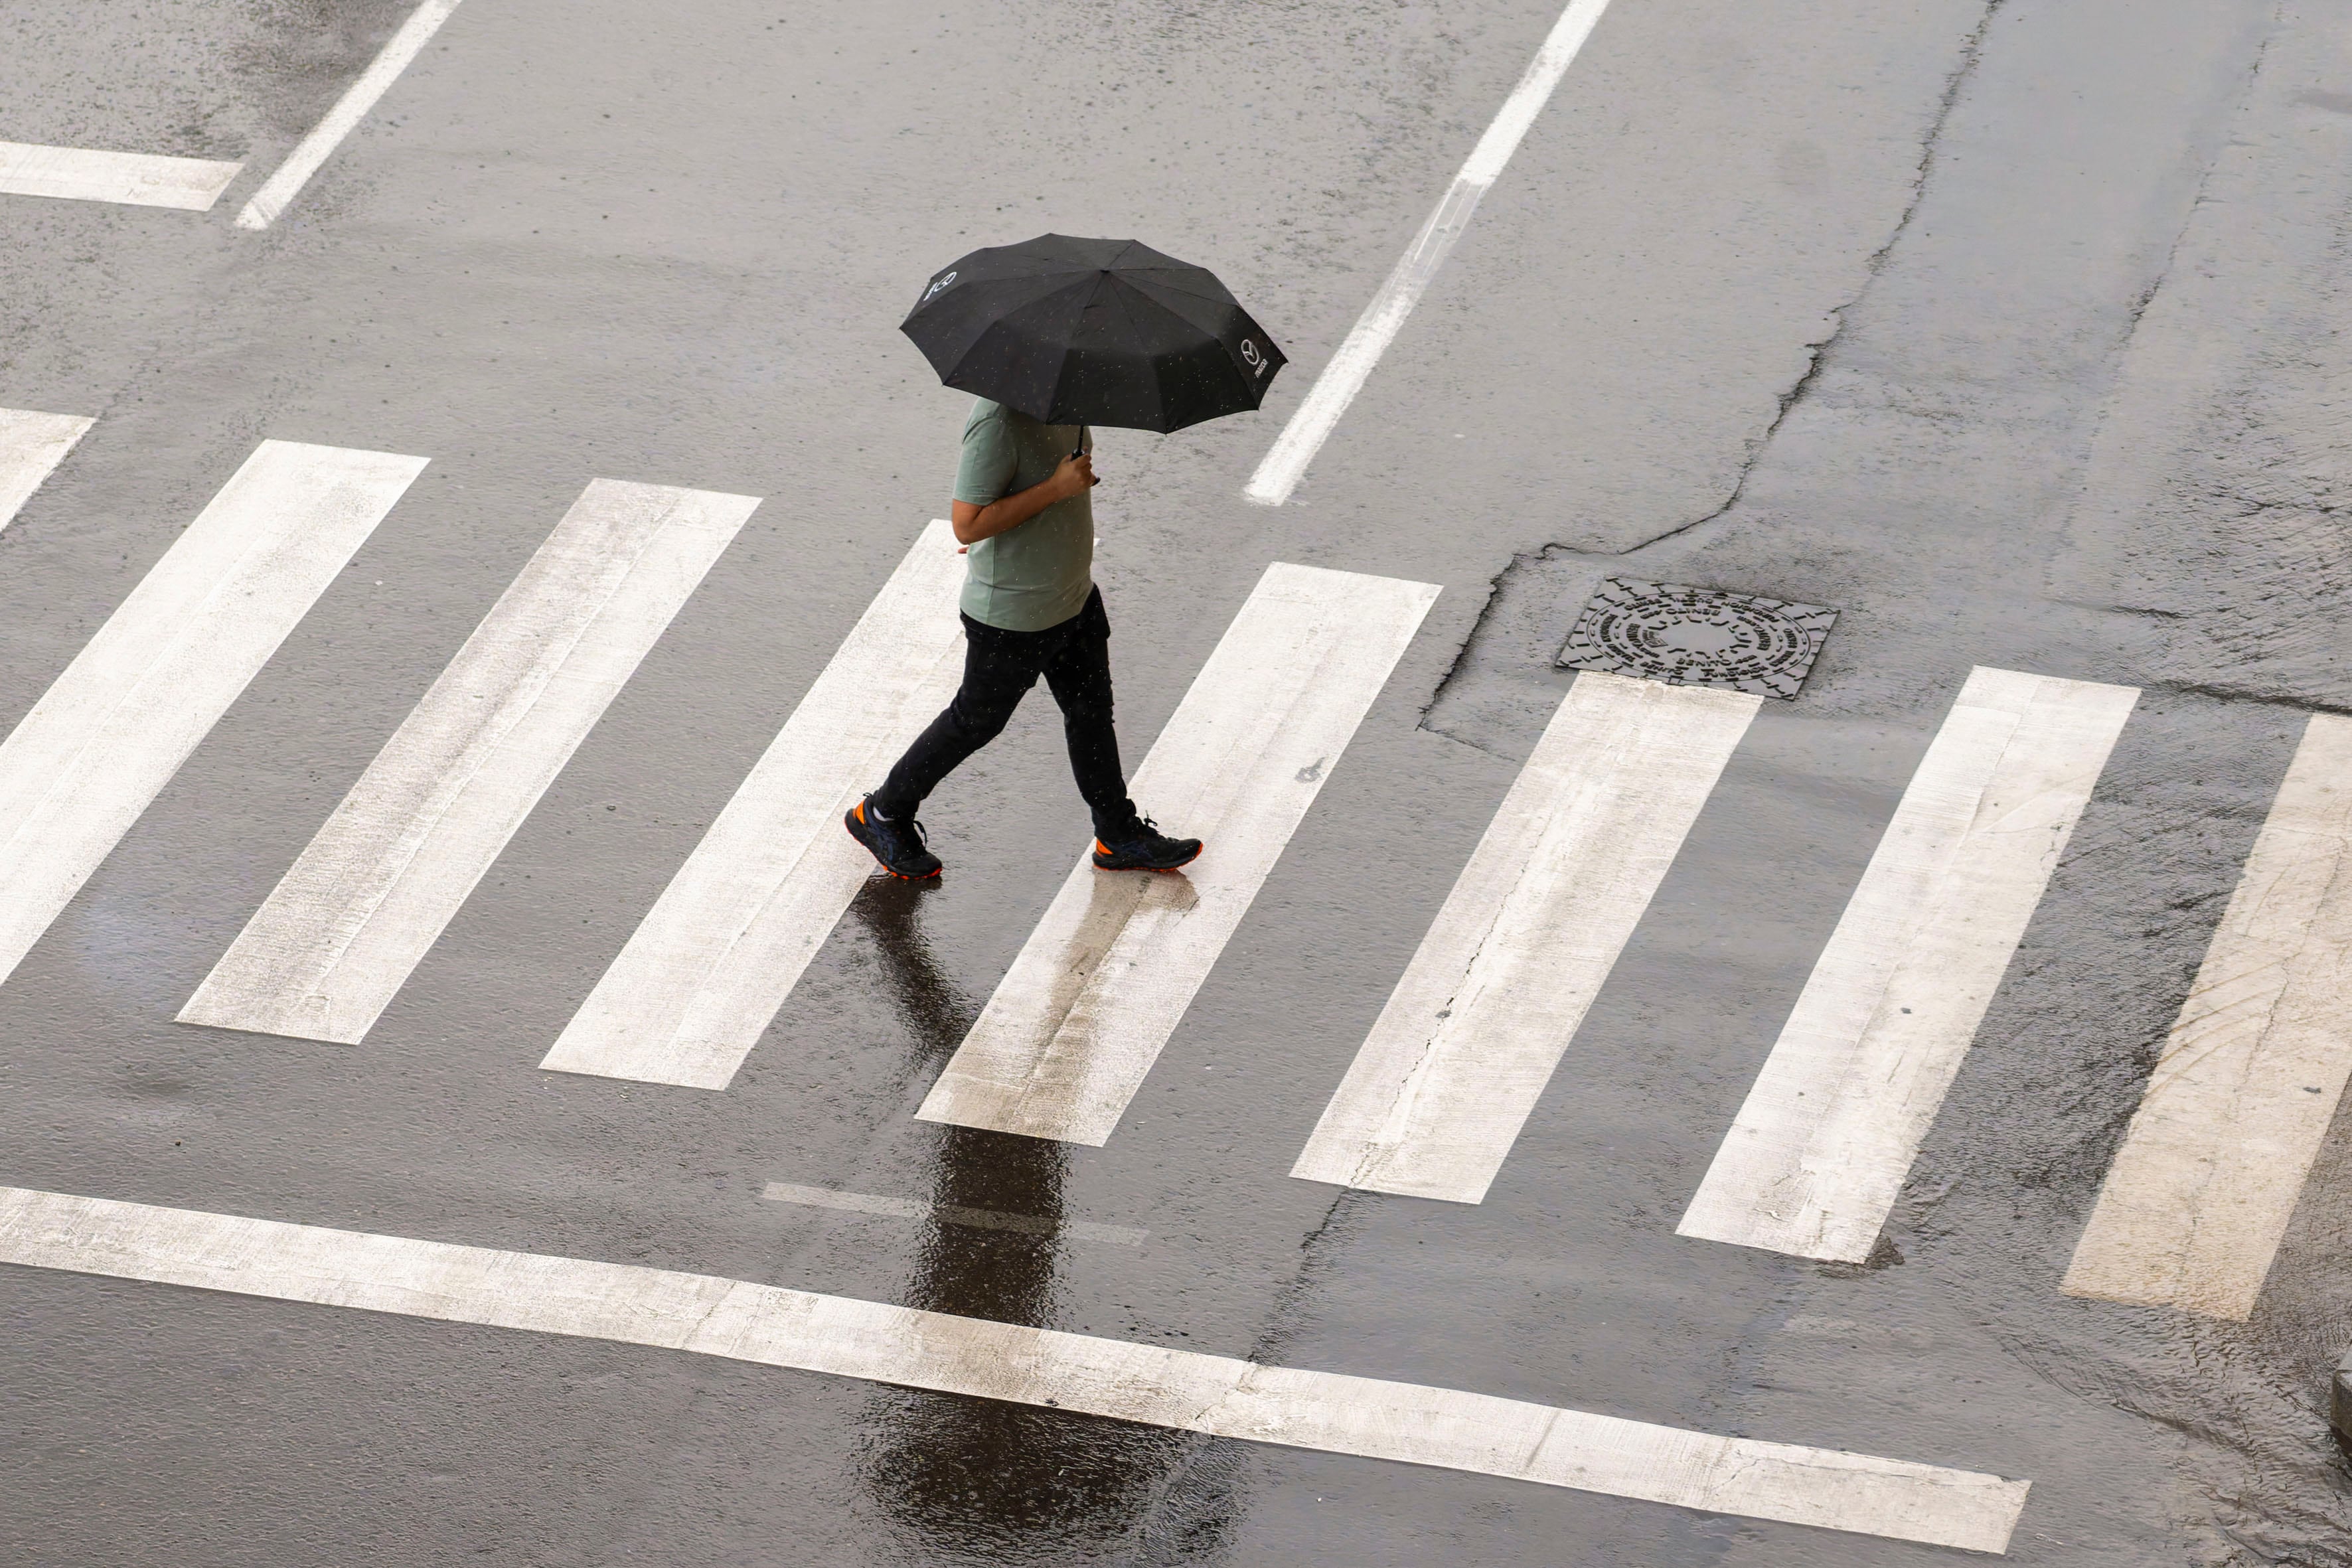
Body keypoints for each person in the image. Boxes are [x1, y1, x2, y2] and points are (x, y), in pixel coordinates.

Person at [845, 398, 1202, 881]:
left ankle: (1117, 834)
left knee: (1091, 713)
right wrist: (1055, 489)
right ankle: (883, 813)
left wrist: (1063, 489)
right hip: (1013, 614)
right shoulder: (996, 423)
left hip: (1072, 595)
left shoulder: (1069, 399)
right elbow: (967, 522)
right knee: (975, 722)